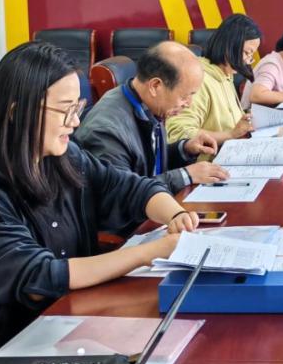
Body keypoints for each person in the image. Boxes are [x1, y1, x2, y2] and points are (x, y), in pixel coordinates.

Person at [0, 42, 202, 362]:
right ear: (17, 112)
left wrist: (175, 214)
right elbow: (37, 279)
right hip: (3, 341)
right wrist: (148, 253)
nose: (75, 122)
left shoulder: (62, 154)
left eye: (78, 107)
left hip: (68, 319)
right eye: (65, 110)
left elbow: (127, 186)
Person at [74, 41, 230, 234]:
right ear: (156, 85)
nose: (188, 104)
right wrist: (185, 175)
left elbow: (146, 162)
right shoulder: (107, 131)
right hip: (129, 231)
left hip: (151, 214)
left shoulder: (146, 104)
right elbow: (122, 199)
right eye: (185, 96)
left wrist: (183, 148)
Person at [167, 14, 258, 159]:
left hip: (230, 158)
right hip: (208, 166)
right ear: (229, 45)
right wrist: (230, 135)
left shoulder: (225, 75)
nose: (247, 61)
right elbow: (179, 133)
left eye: (251, 55)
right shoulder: (200, 80)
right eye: (246, 53)